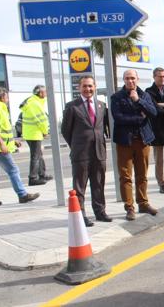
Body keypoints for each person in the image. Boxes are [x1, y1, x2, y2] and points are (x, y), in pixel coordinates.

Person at [61, 75, 111, 227]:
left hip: (99, 152)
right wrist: (76, 146)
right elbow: (65, 131)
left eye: (90, 86)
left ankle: (100, 211)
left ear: (95, 87)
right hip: (81, 153)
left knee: (98, 183)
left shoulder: (102, 106)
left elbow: (104, 128)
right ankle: (80, 215)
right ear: (79, 88)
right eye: (84, 86)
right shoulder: (72, 106)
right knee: (79, 186)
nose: (88, 89)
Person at [111, 69, 158, 221]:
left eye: (133, 78)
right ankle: (129, 207)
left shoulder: (145, 95)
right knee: (125, 176)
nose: (130, 81)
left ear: (137, 79)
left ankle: (143, 203)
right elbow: (118, 118)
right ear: (123, 80)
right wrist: (139, 118)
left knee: (142, 174)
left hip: (143, 140)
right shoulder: (116, 97)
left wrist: (138, 101)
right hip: (125, 141)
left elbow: (153, 113)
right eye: (127, 78)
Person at [0, 87, 40, 204]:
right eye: (7, 96)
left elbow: (3, 129)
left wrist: (13, 141)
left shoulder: (1, 108)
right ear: (2, 97)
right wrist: (2, 145)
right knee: (13, 170)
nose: (8, 99)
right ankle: (22, 195)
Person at [20, 85, 52, 186]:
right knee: (36, 156)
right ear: (40, 93)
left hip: (32, 133)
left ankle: (42, 174)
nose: (46, 94)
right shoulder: (35, 103)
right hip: (34, 134)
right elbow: (41, 120)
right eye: (45, 92)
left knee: (39, 155)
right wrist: (45, 131)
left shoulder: (33, 101)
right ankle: (33, 178)